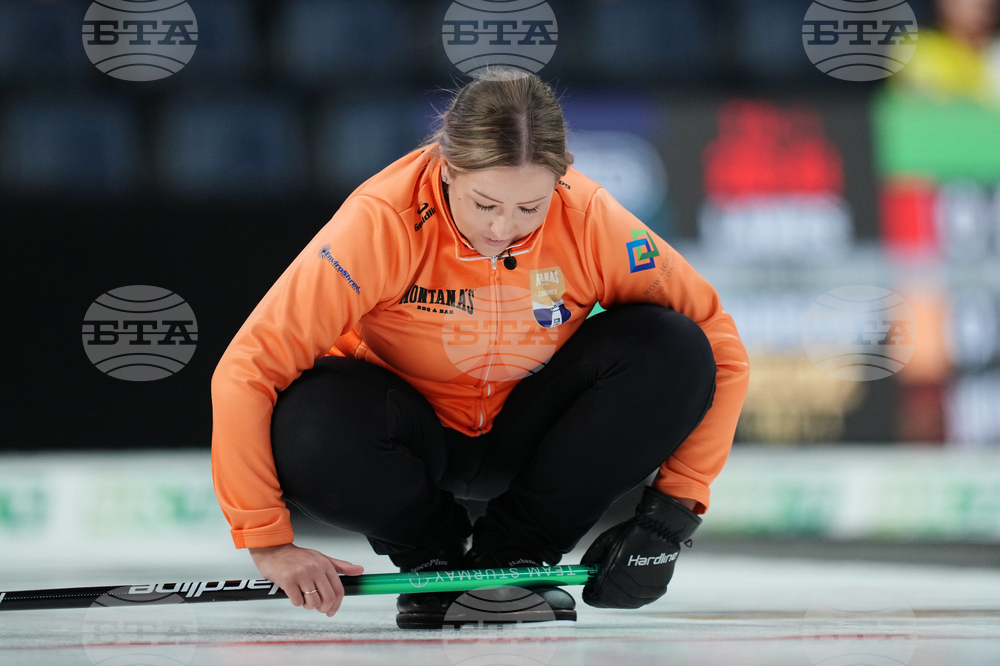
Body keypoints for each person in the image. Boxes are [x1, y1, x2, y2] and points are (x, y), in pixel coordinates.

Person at [210, 67, 750, 629]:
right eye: (484, 203)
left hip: (530, 429)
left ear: (560, 182)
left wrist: (670, 518)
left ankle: (516, 553)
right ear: (446, 168)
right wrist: (267, 541)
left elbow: (720, 345)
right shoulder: (380, 222)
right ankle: (431, 555)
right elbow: (249, 368)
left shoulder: (591, 219)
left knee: (672, 344)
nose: (502, 230)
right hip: (410, 435)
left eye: (529, 208)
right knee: (306, 420)